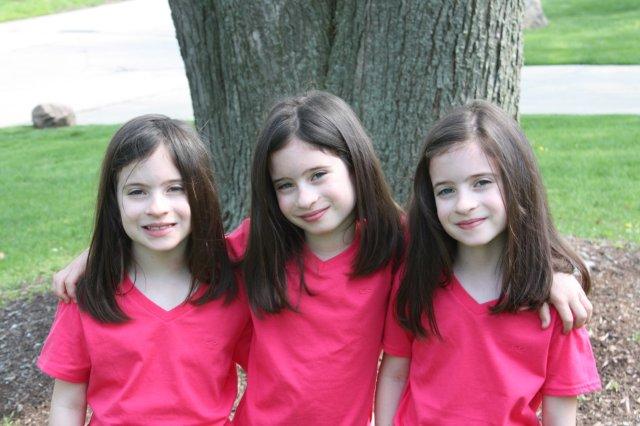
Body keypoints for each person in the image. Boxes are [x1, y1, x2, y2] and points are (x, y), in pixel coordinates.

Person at [52, 93, 592, 425]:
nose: (306, 198)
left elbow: (470, 235)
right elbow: (176, 241)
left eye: (318, 175)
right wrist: (96, 253)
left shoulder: (395, 245)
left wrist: (549, 273)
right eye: (286, 184)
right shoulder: (256, 248)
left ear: (355, 166)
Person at [375, 100, 601, 425]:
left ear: (517, 182)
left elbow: (560, 413)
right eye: (446, 190)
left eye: (481, 182)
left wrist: (550, 275)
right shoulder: (417, 279)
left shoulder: (555, 307)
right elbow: (395, 373)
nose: (464, 204)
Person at [38, 115, 250, 425]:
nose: (157, 208)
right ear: (114, 202)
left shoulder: (232, 283)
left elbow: (274, 374)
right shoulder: (87, 292)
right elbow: (68, 404)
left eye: (175, 188)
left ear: (201, 193)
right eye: (137, 191)